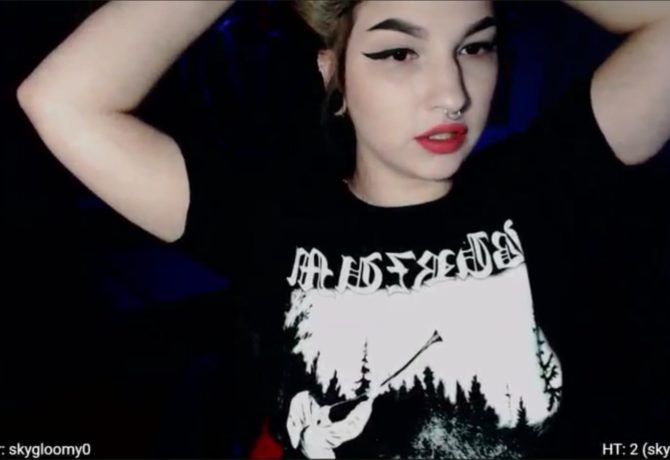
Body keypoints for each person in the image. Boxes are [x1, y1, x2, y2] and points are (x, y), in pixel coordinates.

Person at [16, 1, 670, 458]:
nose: (452, 93)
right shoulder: (268, 219)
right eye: (398, 52)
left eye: (474, 46)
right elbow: (62, 99)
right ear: (333, 72)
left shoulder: (543, 182)